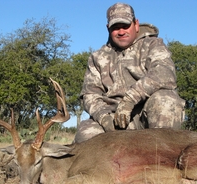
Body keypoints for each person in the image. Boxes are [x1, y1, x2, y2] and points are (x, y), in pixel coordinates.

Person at [74, 2, 185, 143]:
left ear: (136, 24)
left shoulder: (153, 45)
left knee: (166, 100)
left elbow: (164, 74)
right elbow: (90, 95)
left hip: (145, 118)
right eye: (115, 27)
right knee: (86, 133)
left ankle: (162, 160)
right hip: (112, 121)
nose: (121, 32)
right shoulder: (97, 57)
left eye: (125, 26)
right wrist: (105, 118)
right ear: (108, 29)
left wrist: (130, 100)